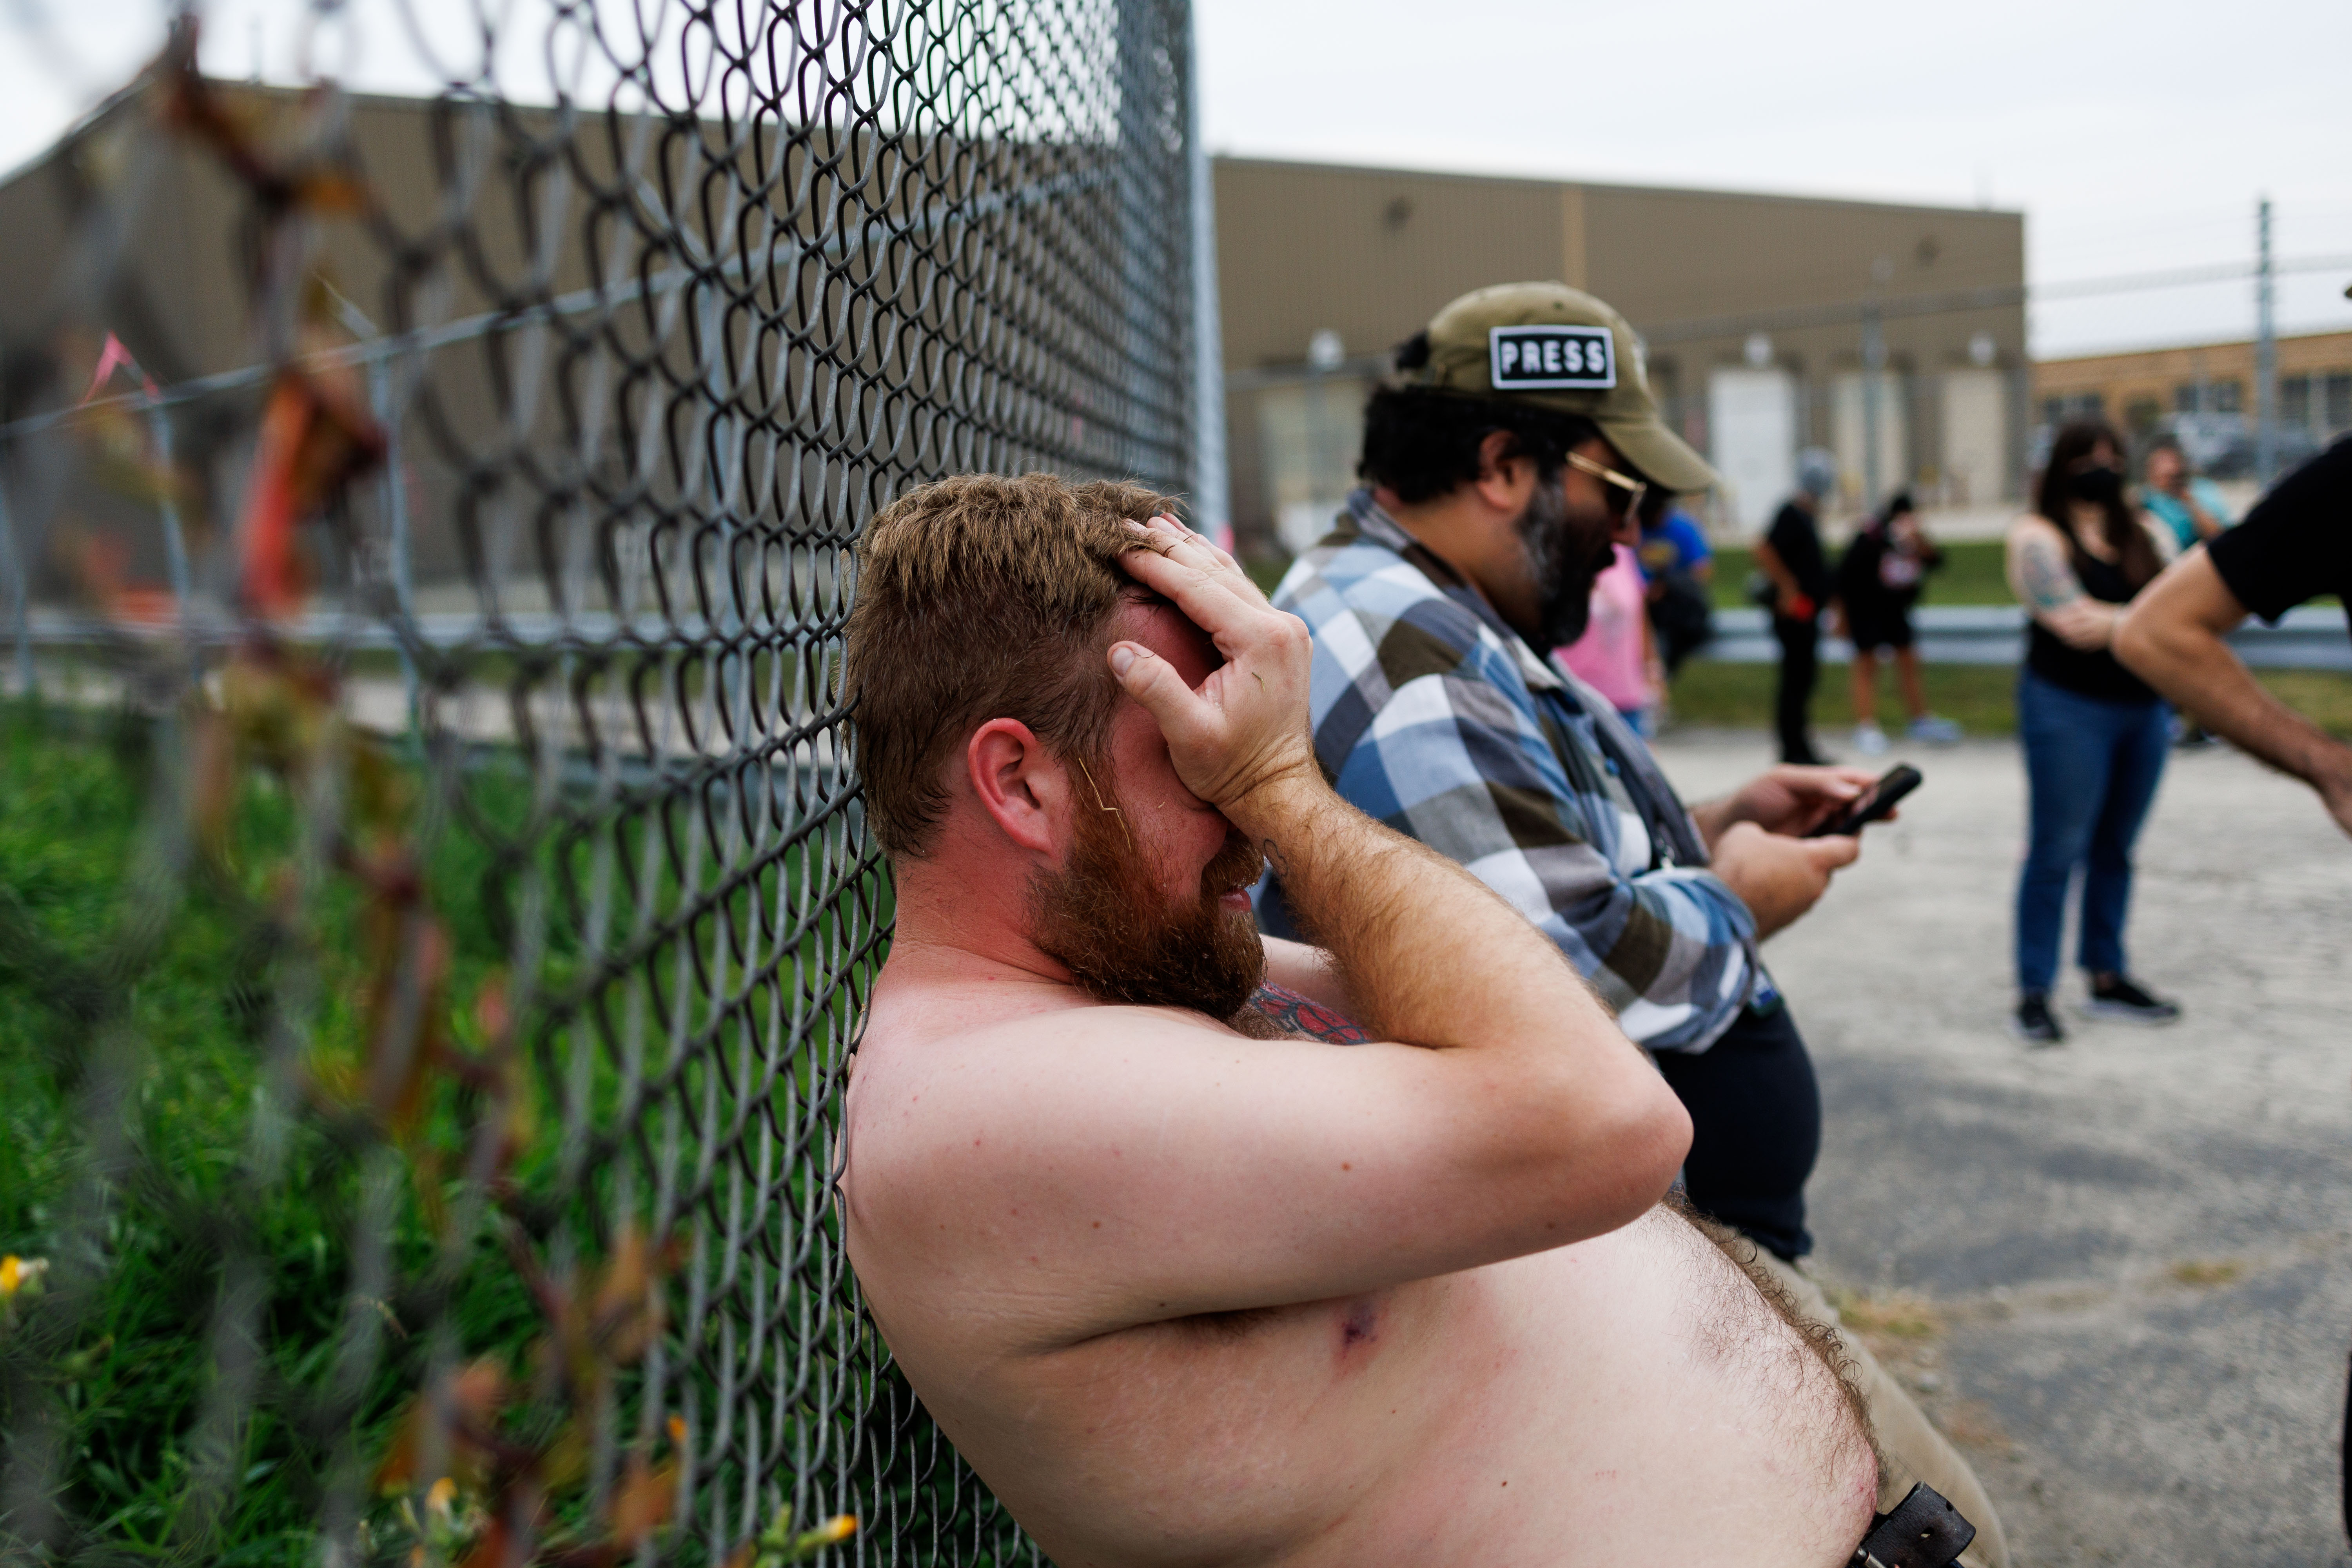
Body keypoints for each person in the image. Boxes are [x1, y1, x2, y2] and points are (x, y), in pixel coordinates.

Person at [838, 475, 1910, 1567]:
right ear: (1020, 783)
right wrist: (1282, 784)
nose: (1248, 833)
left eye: (1238, 751)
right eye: (1196, 757)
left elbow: (1527, 1013)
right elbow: (1609, 1118)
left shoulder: (1129, 972)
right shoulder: (982, 1107)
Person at [1255, 282, 2009, 1565]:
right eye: (1621, 492)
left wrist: (1714, 825)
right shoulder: (1406, 647)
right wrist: (1744, 897)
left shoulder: (1424, 606)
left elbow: (1519, 873)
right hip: (1595, 1285)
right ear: (1505, 466)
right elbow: (1556, 969)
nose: (1633, 535)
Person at [2002, 418, 2182, 1045]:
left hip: (2143, 709)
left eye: (2111, 454)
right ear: (2063, 465)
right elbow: (2072, 622)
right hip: (2067, 708)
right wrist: (2142, 621)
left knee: (2117, 848)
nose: (2101, 466)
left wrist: (2124, 623)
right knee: (2056, 849)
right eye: (2087, 456)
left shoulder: (2147, 531)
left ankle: (2107, 977)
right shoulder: (2036, 536)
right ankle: (2034, 990)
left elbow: (2185, 609)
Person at [2115, 435, 2352, 836]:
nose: (2167, 474)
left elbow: (2215, 530)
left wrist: (2189, 500)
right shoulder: (2341, 481)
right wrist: (2330, 766)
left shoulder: (2199, 494)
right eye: (2160, 466)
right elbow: (2154, 628)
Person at [1833, 490, 1963, 755]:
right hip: (1866, 608)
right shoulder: (1871, 535)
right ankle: (1866, 726)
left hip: (1895, 611)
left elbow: (1937, 561)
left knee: (1908, 661)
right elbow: (1843, 575)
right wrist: (1841, 615)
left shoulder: (1913, 540)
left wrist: (1917, 540)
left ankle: (1920, 719)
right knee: (1867, 666)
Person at [1754, 449, 1839, 764]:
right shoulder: (1790, 513)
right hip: (1797, 613)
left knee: (1804, 679)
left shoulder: (1807, 515)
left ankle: (1802, 745)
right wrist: (1789, 590)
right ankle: (1793, 749)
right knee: (1796, 679)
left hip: (1809, 612)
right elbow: (1763, 549)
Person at [1554, 538, 1660, 730]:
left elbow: (1639, 611)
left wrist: (1652, 667)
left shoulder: (1622, 549)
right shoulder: (1557, 545)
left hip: (1625, 697)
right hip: (1573, 698)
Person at [1637, 485, 1716, 674]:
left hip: (1676, 608)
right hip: (1641, 604)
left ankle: (1663, 673)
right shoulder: (1636, 529)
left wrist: (1667, 586)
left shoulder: (1683, 527)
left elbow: (1703, 571)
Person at [2139, 433, 2234, 551]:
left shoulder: (2202, 490)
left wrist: (2189, 502)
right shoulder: (2146, 499)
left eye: (2174, 475)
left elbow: (2218, 536)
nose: (2170, 478)